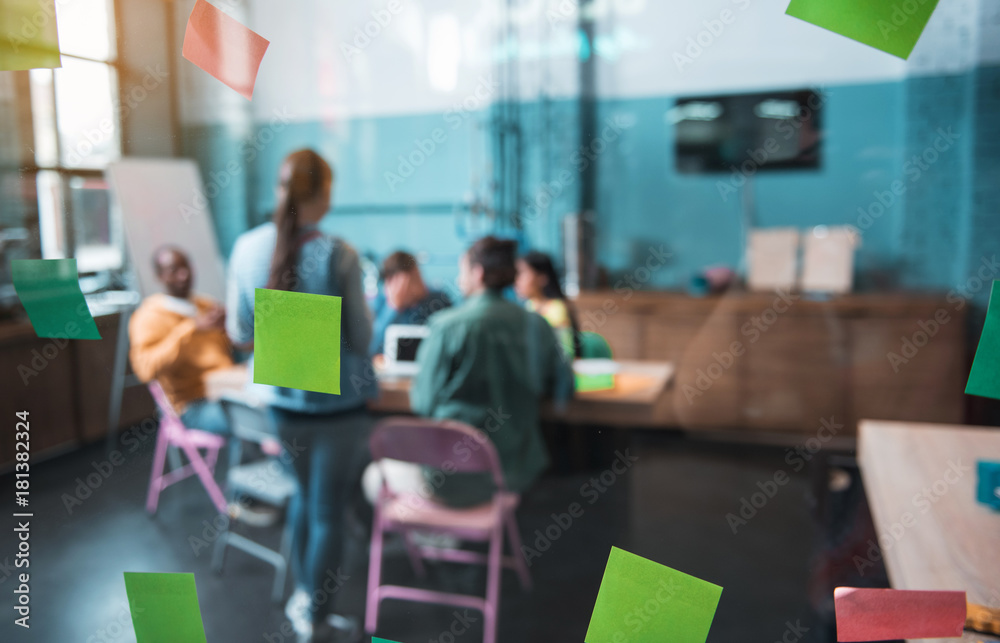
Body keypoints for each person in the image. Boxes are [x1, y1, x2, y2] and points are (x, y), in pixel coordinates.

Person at [226, 149, 373, 643]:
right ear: (325, 192)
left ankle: (305, 600)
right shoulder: (339, 253)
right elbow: (359, 335)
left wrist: (289, 336)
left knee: (306, 504)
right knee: (328, 511)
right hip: (339, 411)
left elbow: (240, 330)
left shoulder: (247, 248)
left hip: (281, 410)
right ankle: (316, 613)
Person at [406, 236, 574, 507]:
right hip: (514, 471)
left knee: (377, 477)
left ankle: (438, 536)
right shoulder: (537, 325)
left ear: (478, 272)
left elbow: (422, 403)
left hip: (451, 474)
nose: (459, 279)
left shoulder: (446, 326)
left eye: (462, 270)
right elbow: (564, 385)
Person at [129, 246, 233, 435]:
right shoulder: (147, 317)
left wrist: (231, 327)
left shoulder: (205, 305)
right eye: (173, 270)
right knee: (251, 418)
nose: (183, 275)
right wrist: (191, 330)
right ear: (159, 276)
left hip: (227, 389)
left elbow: (231, 349)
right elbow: (145, 370)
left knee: (272, 403)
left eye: (186, 267)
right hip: (191, 404)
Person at [368, 250, 451, 359]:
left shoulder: (438, 299)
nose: (421, 283)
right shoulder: (379, 303)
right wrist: (393, 307)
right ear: (390, 283)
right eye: (414, 279)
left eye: (419, 275)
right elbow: (371, 348)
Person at [515, 250, 582, 359]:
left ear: (542, 278)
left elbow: (564, 354)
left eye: (522, 273)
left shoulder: (557, 310)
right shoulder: (530, 305)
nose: (516, 280)